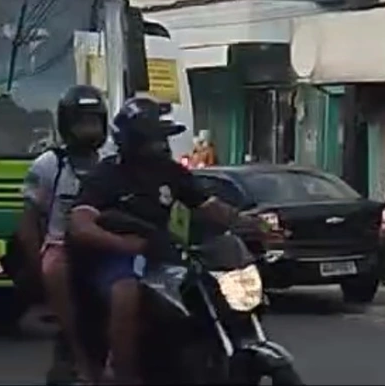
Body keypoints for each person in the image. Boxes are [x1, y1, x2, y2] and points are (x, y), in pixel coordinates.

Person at [67, 96, 263, 384]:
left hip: (162, 253)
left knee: (205, 286)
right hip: (120, 255)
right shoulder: (107, 175)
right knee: (126, 292)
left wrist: (251, 223)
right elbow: (80, 224)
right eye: (152, 140)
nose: (160, 146)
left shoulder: (170, 172)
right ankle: (123, 373)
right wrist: (122, 243)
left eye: (162, 139)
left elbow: (209, 208)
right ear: (131, 142)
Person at [18, 85, 108, 384]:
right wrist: (35, 265)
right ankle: (77, 352)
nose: (89, 130)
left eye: (94, 122)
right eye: (82, 123)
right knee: (54, 270)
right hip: (62, 247)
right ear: (67, 125)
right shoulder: (49, 165)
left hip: (107, 245)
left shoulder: (111, 163)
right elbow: (28, 220)